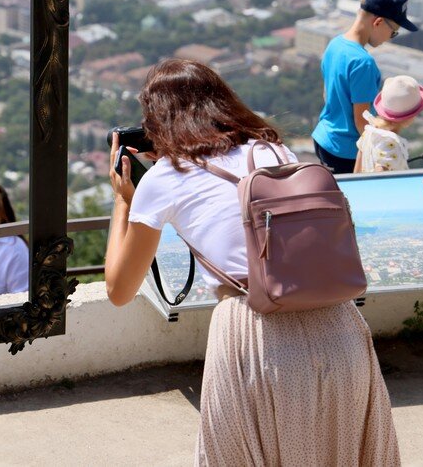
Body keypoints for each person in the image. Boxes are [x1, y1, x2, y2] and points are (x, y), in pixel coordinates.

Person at [106, 59, 400, 466]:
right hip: (340, 328)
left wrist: (124, 201)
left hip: (255, 337)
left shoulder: (163, 178)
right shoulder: (272, 149)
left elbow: (119, 290)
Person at [312, 0, 418, 174]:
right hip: (346, 150)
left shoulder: (335, 44)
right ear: (378, 22)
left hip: (325, 138)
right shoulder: (363, 63)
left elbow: (327, 93)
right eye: (393, 32)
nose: (390, 38)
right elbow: (362, 121)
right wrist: (384, 149)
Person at [354, 75, 423, 173]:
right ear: (409, 117)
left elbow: (357, 170)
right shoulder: (390, 144)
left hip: (363, 187)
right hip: (385, 188)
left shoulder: (369, 131)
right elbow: (380, 171)